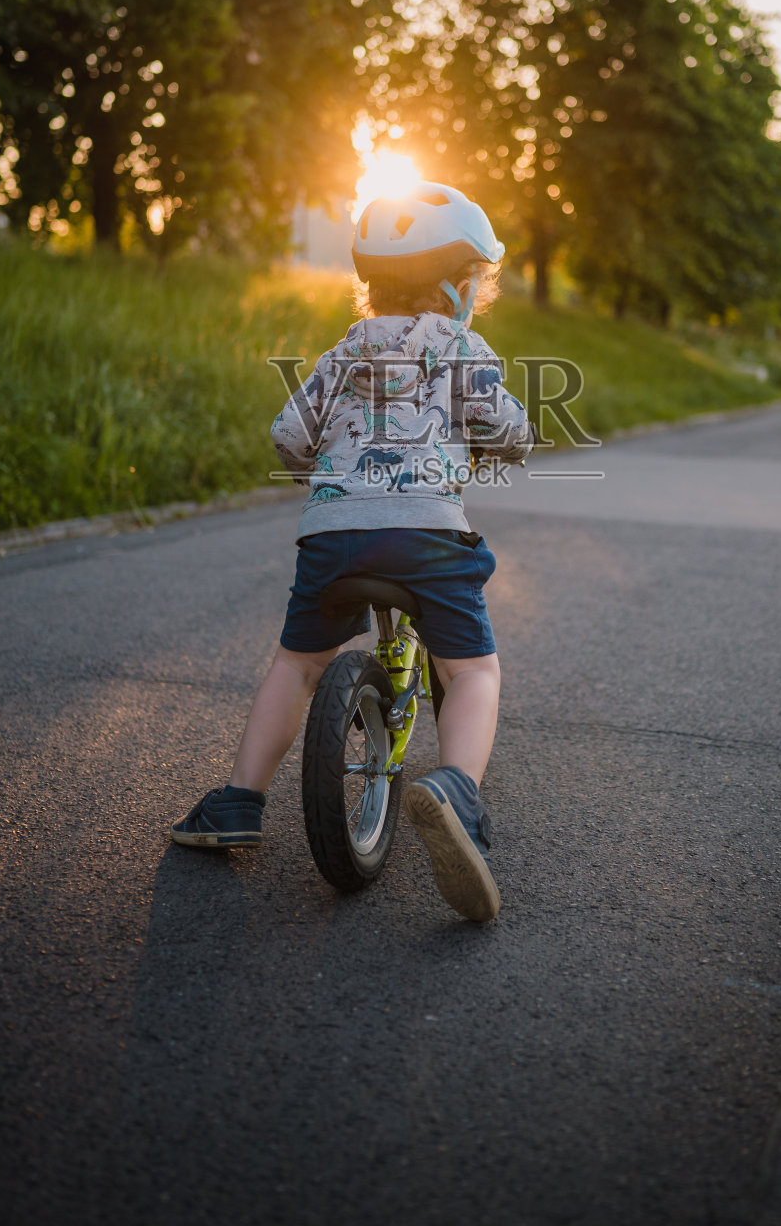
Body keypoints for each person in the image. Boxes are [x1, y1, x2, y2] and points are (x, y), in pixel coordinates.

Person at [170, 182, 534, 921]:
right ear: (457, 286)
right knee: (472, 672)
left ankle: (238, 801)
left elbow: (287, 437)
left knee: (297, 664)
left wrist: (335, 481)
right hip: (429, 534)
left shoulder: (342, 352)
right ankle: (457, 790)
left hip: (332, 533)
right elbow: (510, 432)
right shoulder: (463, 347)